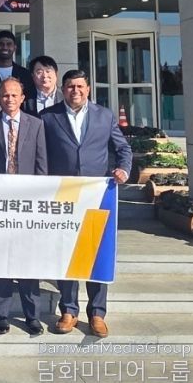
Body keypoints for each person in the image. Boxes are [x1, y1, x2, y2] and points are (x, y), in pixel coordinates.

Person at [40, 69, 132, 338]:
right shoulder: (48, 117)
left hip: (96, 195)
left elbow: (122, 148)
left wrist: (123, 169)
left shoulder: (104, 116)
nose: (75, 91)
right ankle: (69, 310)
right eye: (70, 86)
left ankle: (97, 313)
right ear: (63, 89)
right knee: (66, 253)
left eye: (80, 86)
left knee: (95, 254)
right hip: (64, 196)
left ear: (88, 89)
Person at [0, 77, 47, 335]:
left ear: (22, 98)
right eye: (5, 95)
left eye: (14, 95)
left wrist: (40, 199)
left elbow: (41, 165)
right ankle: (2, 314)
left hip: (27, 203)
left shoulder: (36, 125)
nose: (9, 99)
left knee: (28, 260)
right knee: (0, 260)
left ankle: (32, 316)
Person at [0, 30, 35, 98]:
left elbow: (30, 98)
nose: (5, 47)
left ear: (15, 48)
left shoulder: (25, 74)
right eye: (1, 44)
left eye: (9, 44)